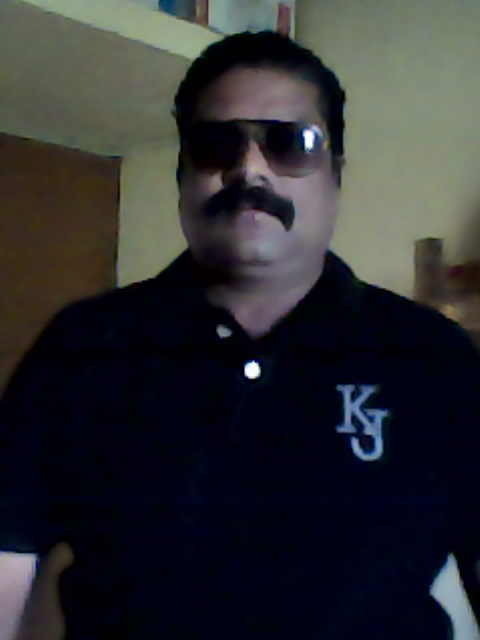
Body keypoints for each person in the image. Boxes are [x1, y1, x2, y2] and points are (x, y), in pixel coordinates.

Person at [1, 30, 480, 640]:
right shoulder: (81, 346)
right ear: (182, 173)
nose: (248, 168)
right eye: (215, 144)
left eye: (292, 143)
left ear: (335, 174)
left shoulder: (435, 360)